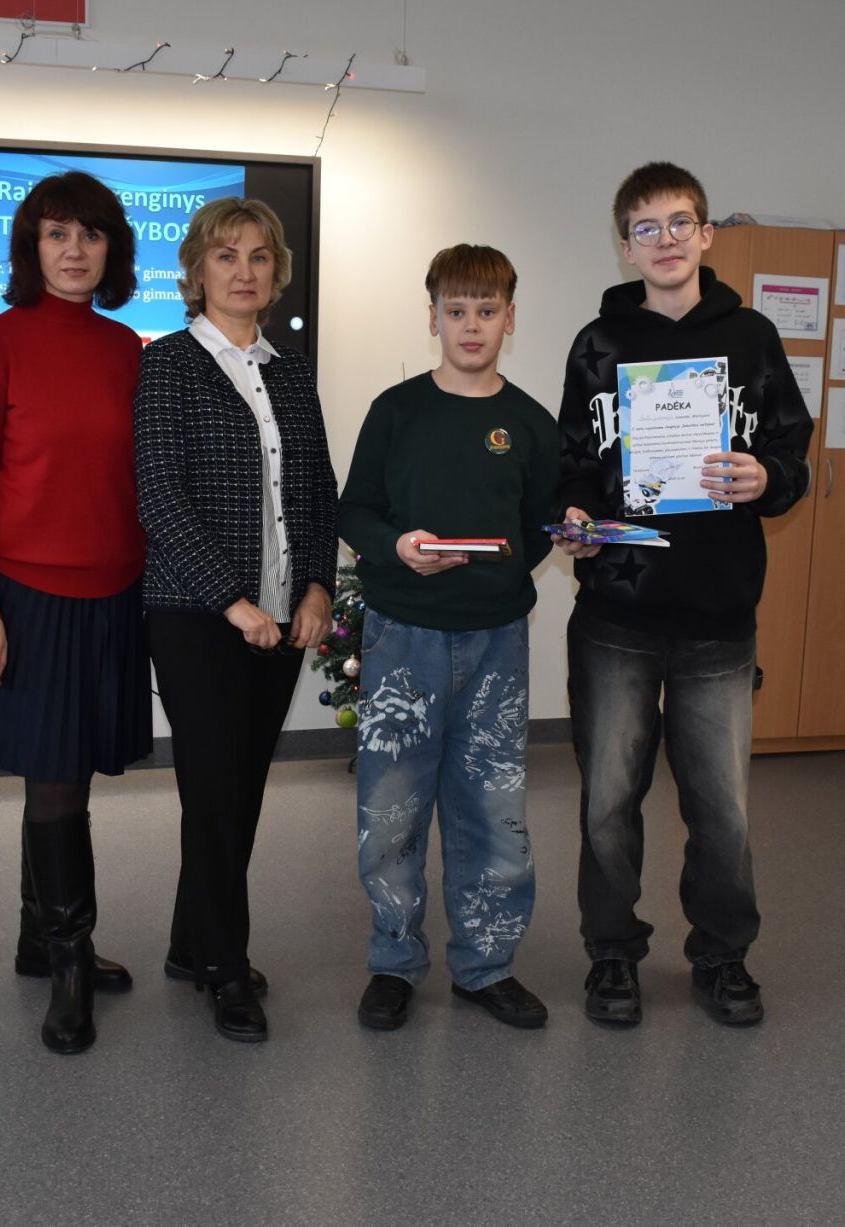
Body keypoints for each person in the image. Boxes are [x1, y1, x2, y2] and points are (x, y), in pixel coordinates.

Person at [553, 162, 813, 1027]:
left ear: (705, 235)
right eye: (646, 227)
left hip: (718, 615)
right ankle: (612, 954)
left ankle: (724, 955)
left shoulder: (753, 336)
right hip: (616, 615)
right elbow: (572, 463)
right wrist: (576, 517)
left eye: (679, 223)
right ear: (625, 245)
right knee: (606, 802)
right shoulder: (597, 343)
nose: (664, 240)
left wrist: (765, 477)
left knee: (722, 808)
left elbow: (791, 452)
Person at [0, 170, 153, 1054]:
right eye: (57, 234)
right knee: (57, 779)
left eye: (91, 234)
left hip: (115, 594)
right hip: (29, 600)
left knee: (65, 775)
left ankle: (40, 937)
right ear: (32, 247)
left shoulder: (128, 348)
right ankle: (69, 960)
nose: (75, 250)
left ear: (113, 250)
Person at [338, 244, 559, 1032]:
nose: (471, 325)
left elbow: (540, 526)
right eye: (456, 310)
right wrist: (397, 547)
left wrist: (498, 574)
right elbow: (354, 510)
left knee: (492, 809)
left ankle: (486, 964)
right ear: (431, 317)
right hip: (402, 638)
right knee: (391, 808)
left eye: (486, 311)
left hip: (496, 642)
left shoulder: (530, 422)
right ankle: (394, 961)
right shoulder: (396, 411)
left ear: (510, 317)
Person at [134, 197, 338, 1043]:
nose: (244, 271)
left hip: (284, 616)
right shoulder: (167, 363)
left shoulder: (290, 371)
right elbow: (158, 494)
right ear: (196, 270)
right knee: (216, 792)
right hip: (197, 615)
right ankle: (225, 966)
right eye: (226, 256)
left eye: (259, 256)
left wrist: (318, 587)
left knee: (239, 788)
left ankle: (192, 942)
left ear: (276, 272)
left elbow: (317, 487)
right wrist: (233, 600)